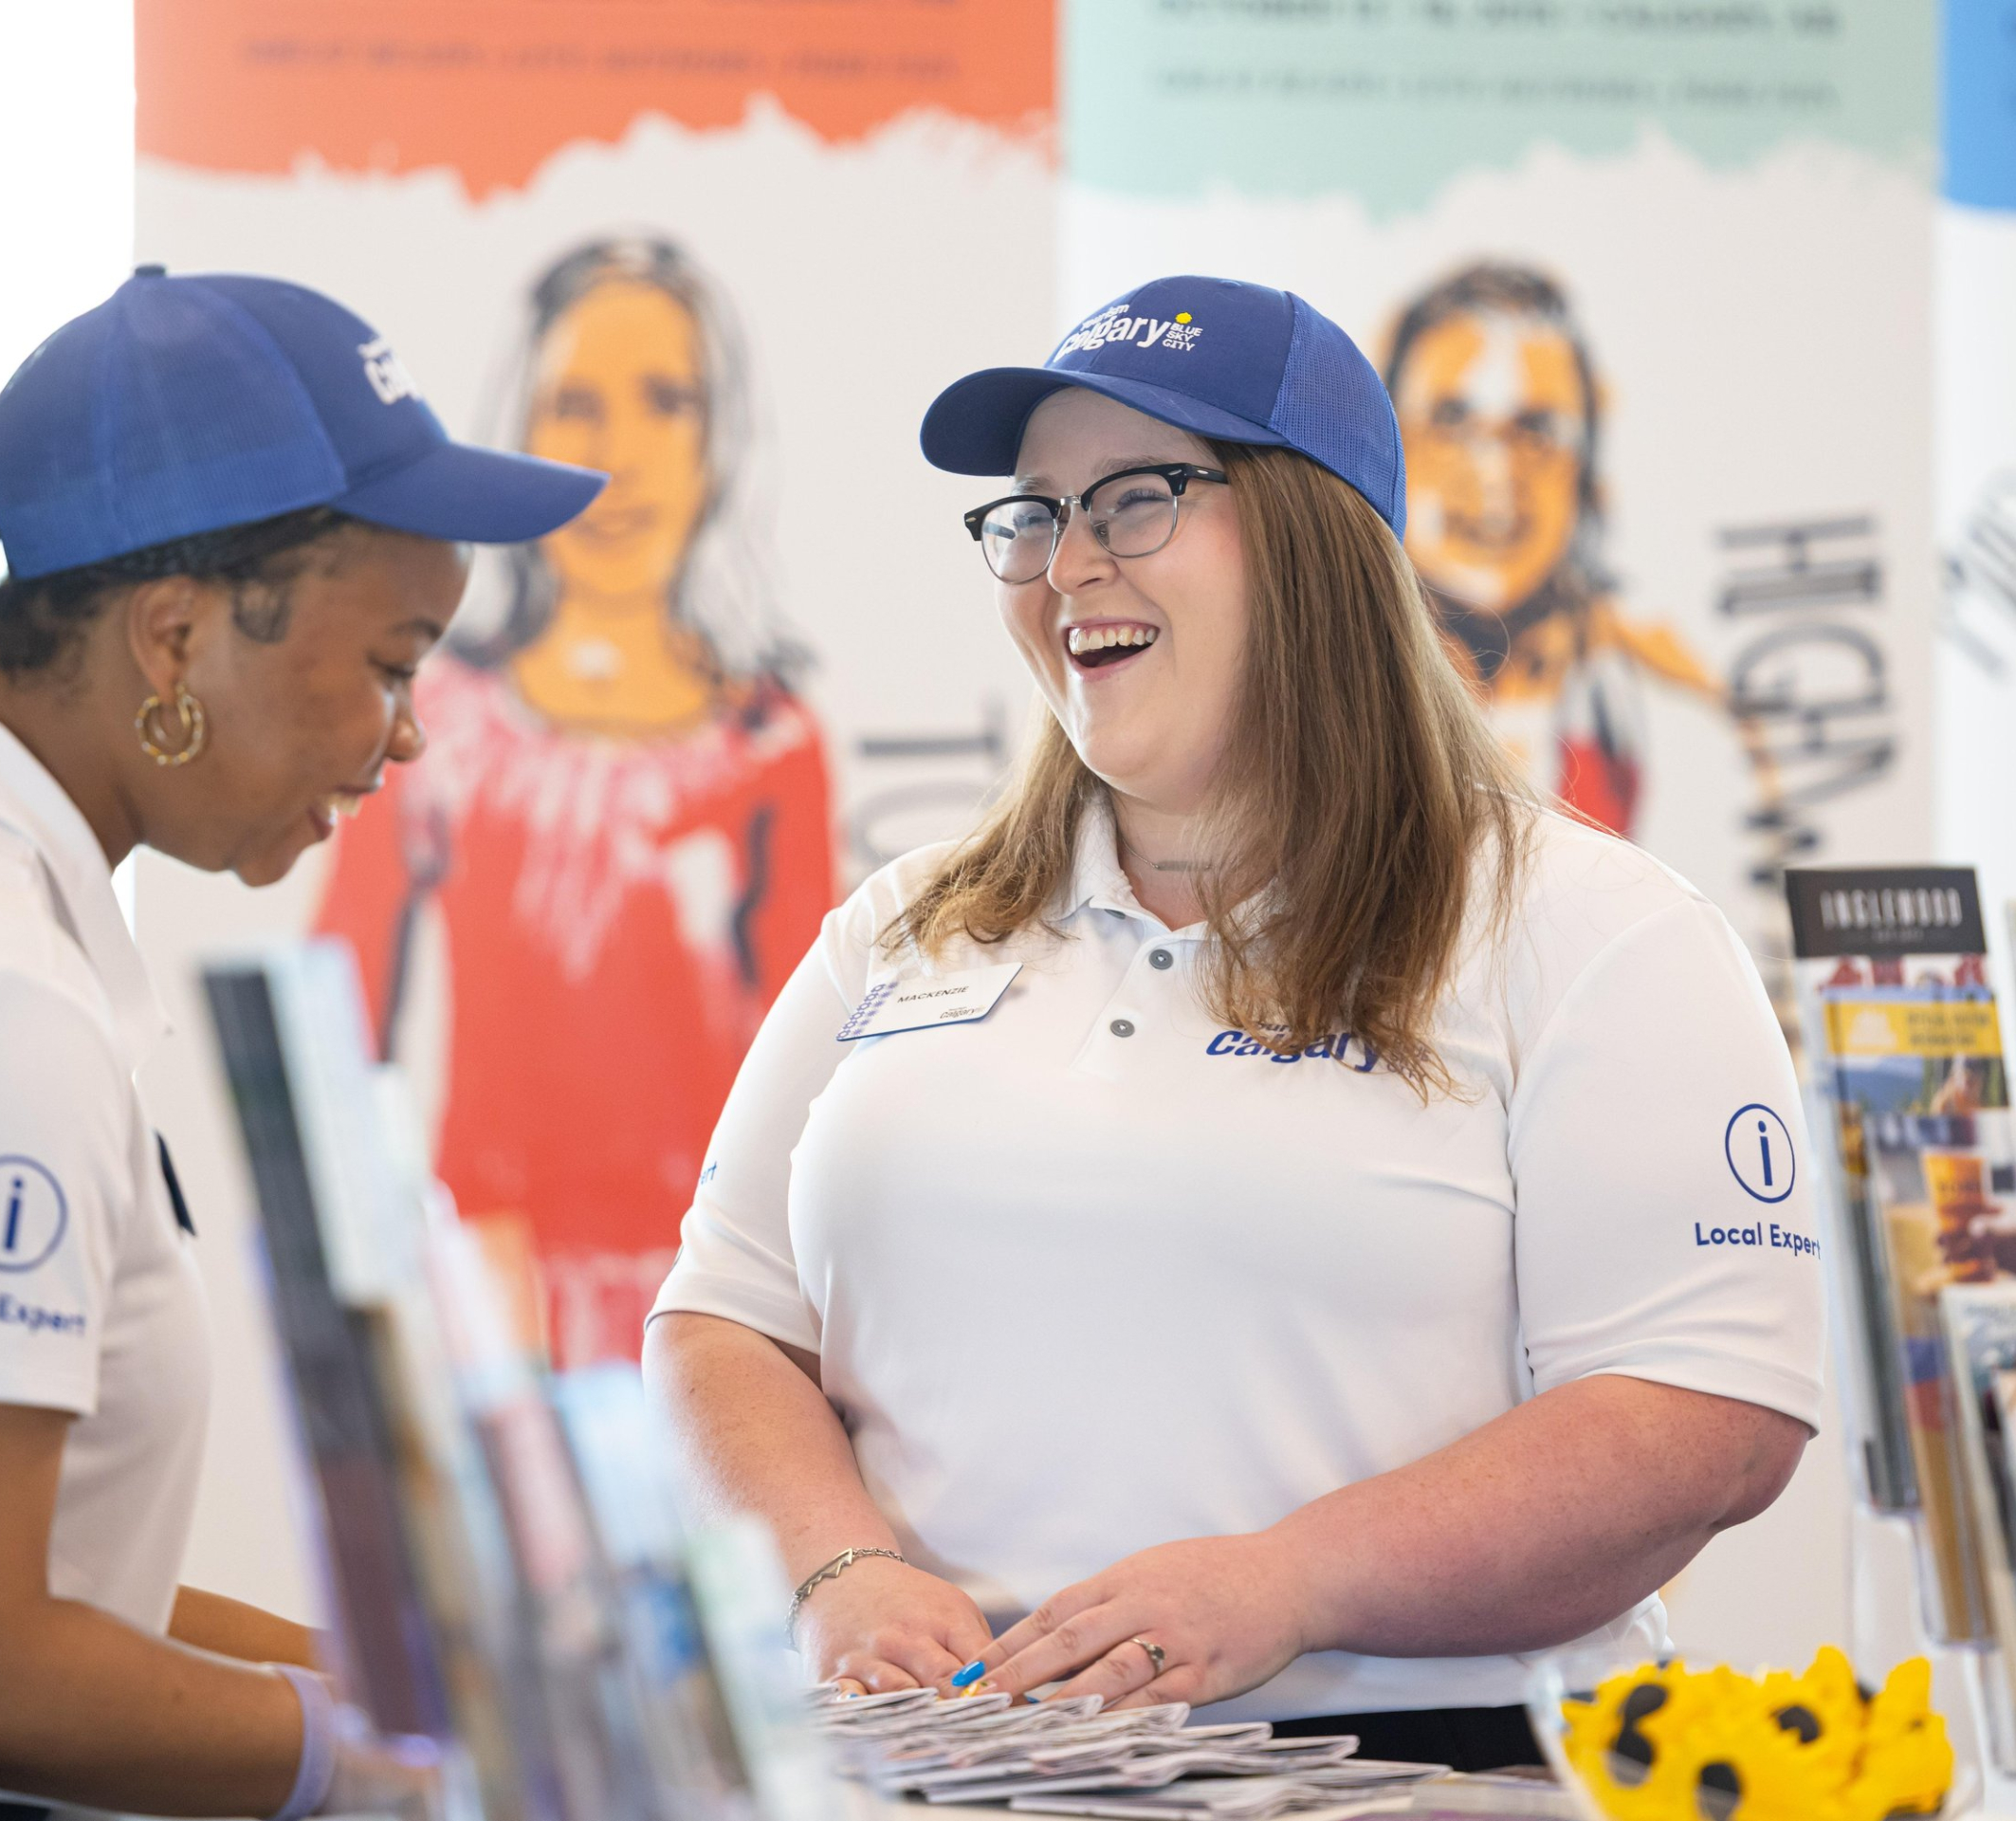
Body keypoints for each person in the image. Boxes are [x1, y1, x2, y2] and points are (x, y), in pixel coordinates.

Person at [644, 275, 1824, 1774]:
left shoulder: (1593, 932)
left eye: (1133, 501)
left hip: (1413, 1771)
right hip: (929, 1770)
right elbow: (724, 1321)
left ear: (1316, 537)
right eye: (1033, 513)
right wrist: (837, 1572)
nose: (1065, 562)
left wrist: (1292, 1582)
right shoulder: (908, 925)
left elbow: (1706, 1420)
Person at [0, 267, 602, 1817]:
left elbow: (51, 1578)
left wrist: (415, 1702)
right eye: (393, 664)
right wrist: (382, 1775)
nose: (408, 733)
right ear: (175, 638)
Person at [315, 236, 833, 1369]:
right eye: (575, 404)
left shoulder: (771, 742)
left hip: (714, 1310)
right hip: (483, 1299)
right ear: (522, 427)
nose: (619, 456)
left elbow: (816, 1073)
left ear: (720, 440)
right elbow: (334, 1019)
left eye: (664, 402)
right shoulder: (432, 721)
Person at [1381, 263, 1735, 837]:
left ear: (1586, 477)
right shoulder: (1308, 689)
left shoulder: (1662, 706)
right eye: (1451, 421)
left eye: (1537, 430)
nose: (1496, 474)